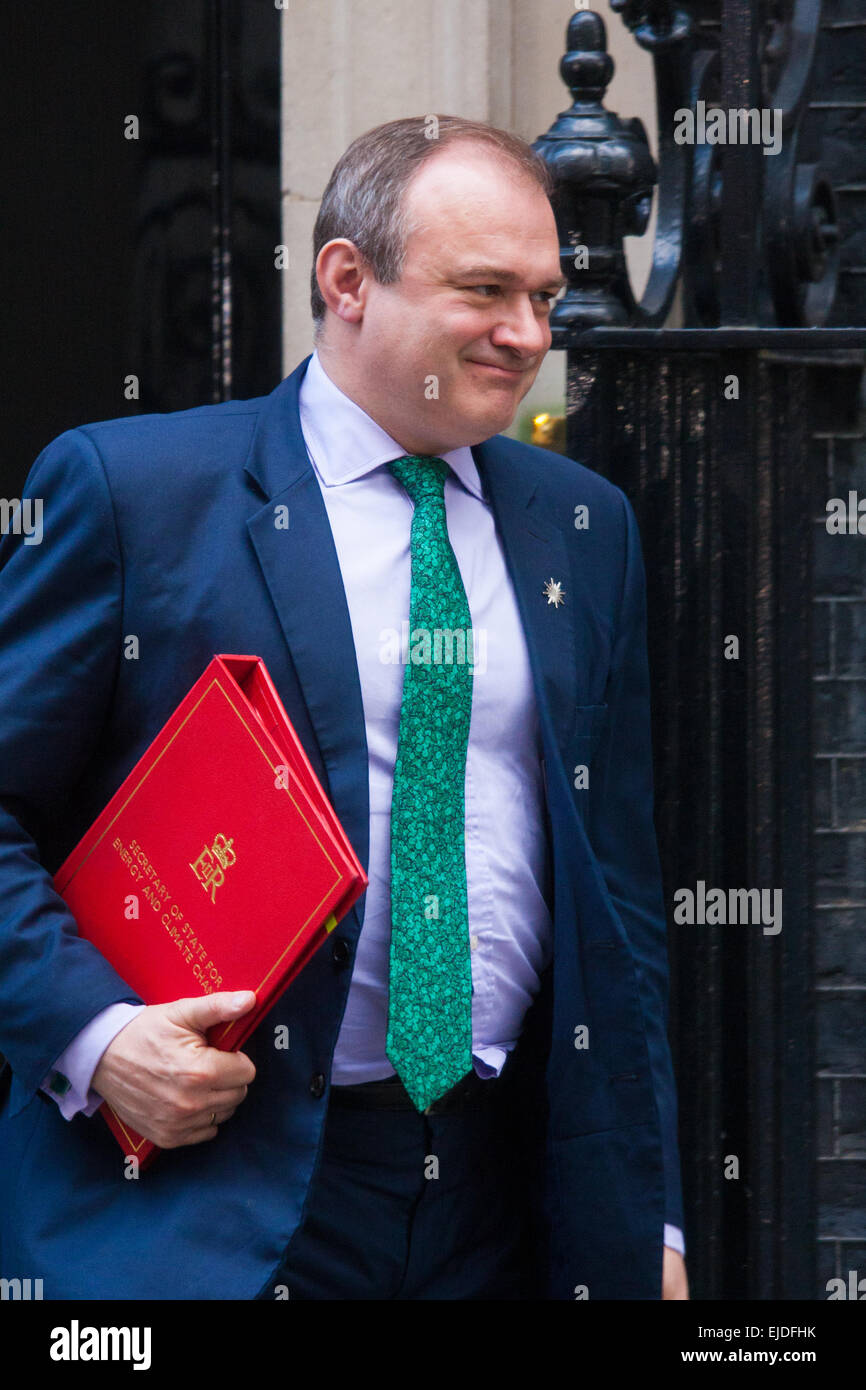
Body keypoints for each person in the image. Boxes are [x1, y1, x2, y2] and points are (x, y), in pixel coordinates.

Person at [0, 115, 687, 1300]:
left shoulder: (583, 524)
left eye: (542, 294)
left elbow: (615, 895)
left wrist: (653, 1217)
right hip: (214, 1187)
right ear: (347, 279)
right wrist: (96, 1039)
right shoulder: (135, 491)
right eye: (484, 291)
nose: (528, 334)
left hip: (503, 1192)